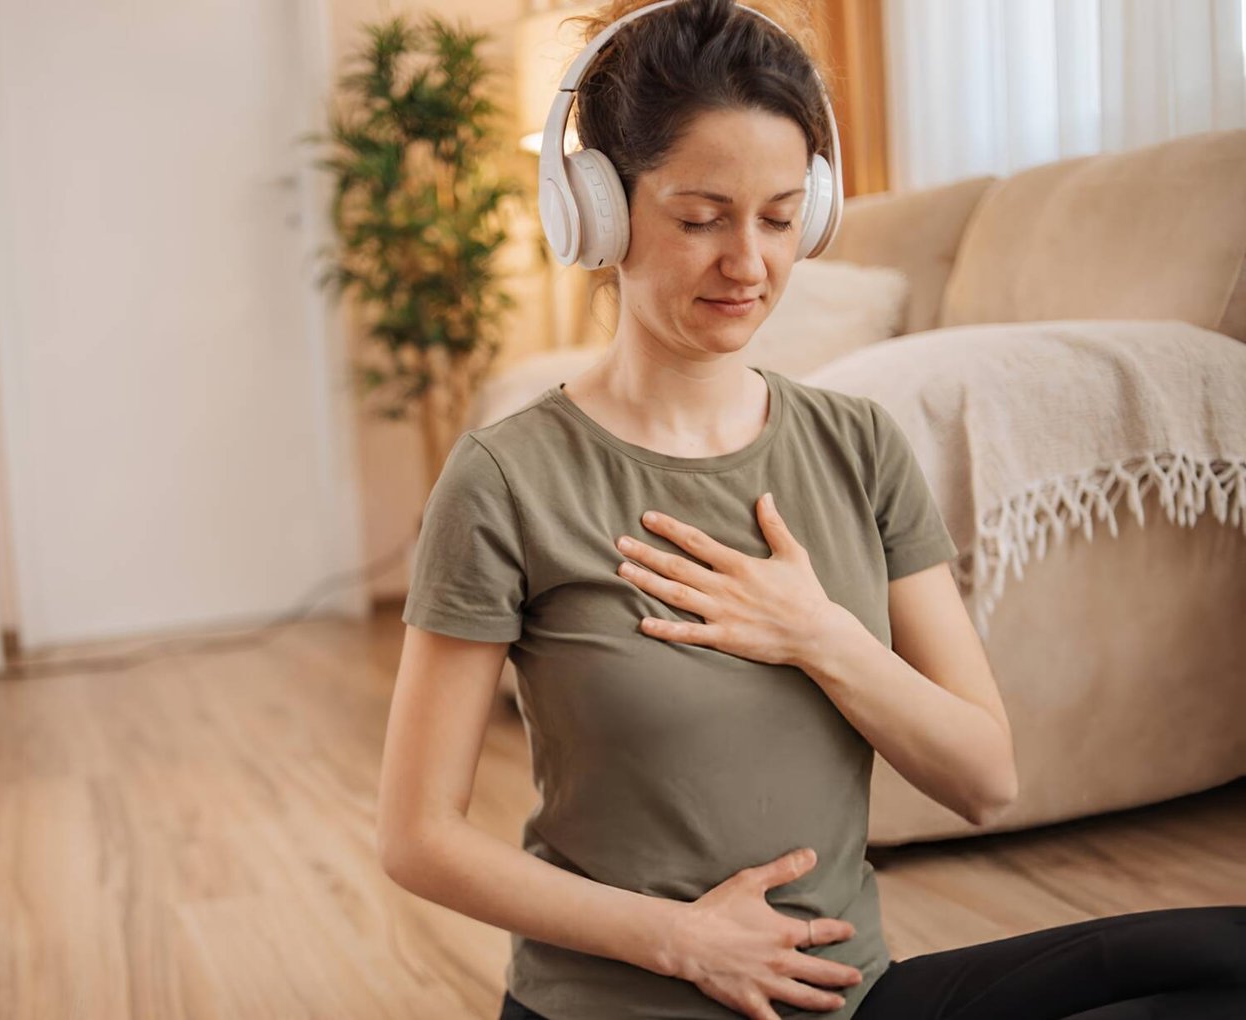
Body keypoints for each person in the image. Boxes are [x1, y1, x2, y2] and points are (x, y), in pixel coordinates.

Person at [373, 2, 1246, 1018]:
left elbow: (984, 780)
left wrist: (817, 633)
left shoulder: (858, 446)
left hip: (846, 999)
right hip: (621, 1005)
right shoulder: (507, 479)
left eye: (781, 218)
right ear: (596, 210)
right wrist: (681, 941)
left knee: (1217, 957)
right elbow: (416, 836)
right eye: (700, 218)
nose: (747, 262)